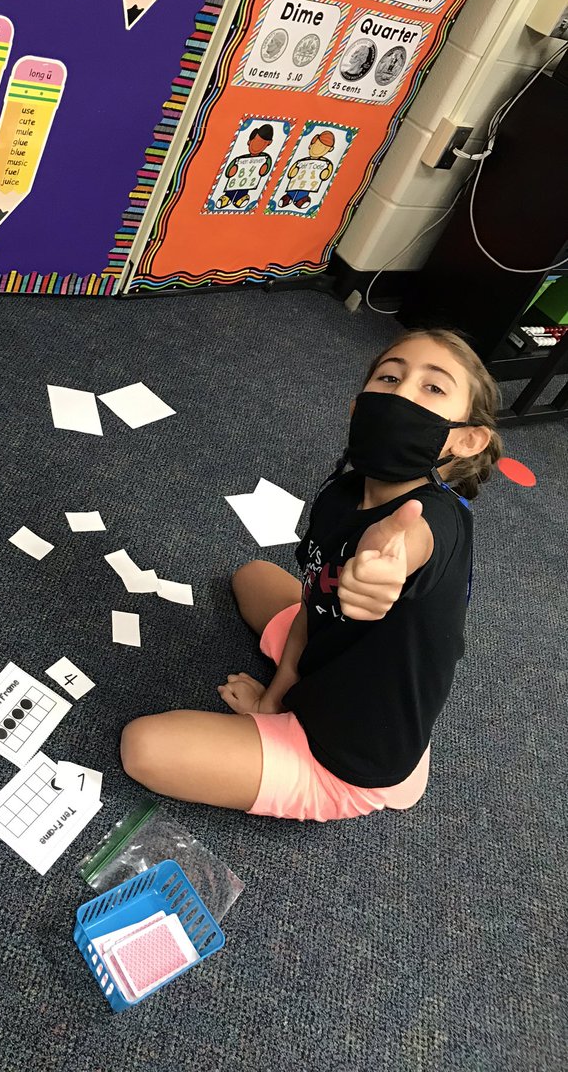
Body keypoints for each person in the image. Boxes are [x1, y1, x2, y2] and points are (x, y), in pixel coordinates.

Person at [121, 329, 502, 821]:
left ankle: (356, 775)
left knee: (144, 748)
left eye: (433, 388)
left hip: (352, 753)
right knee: (252, 575)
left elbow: (412, 544)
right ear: (357, 406)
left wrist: (385, 569)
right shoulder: (343, 493)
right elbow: (311, 598)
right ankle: (294, 700)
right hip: (337, 658)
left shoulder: (437, 522)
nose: (401, 394)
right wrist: (274, 696)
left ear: (467, 439)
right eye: (389, 377)